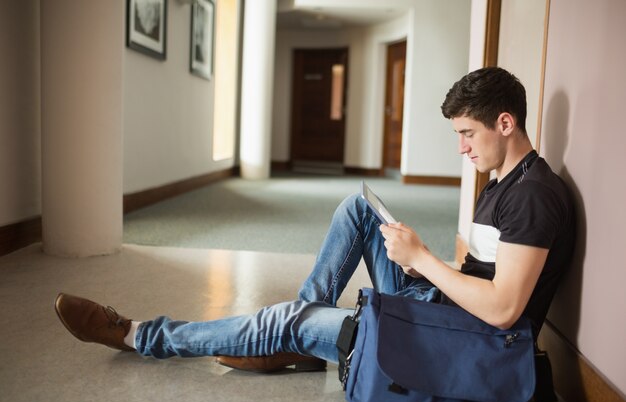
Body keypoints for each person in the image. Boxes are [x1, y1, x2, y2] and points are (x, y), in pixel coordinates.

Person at [55, 67, 575, 373]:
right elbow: (485, 279)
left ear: (505, 123)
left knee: (288, 319)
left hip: (469, 347)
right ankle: (300, 345)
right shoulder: (506, 182)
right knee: (360, 209)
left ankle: (139, 335)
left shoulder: (534, 196)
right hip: (447, 312)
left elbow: (505, 312)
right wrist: (426, 267)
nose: (461, 147)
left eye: (467, 133)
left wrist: (422, 260)